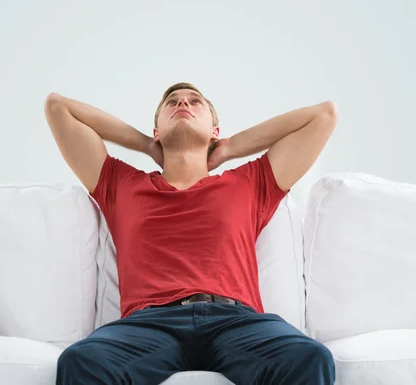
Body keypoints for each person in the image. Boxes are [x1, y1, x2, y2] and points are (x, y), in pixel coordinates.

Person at [44, 82, 338, 385]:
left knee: (309, 357)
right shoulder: (122, 185)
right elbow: (58, 107)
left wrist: (230, 147)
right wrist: (146, 144)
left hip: (235, 321)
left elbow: (323, 115)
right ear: (157, 130)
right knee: (82, 361)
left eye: (195, 102)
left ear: (214, 130)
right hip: (150, 323)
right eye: (171, 102)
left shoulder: (248, 184)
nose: (182, 103)